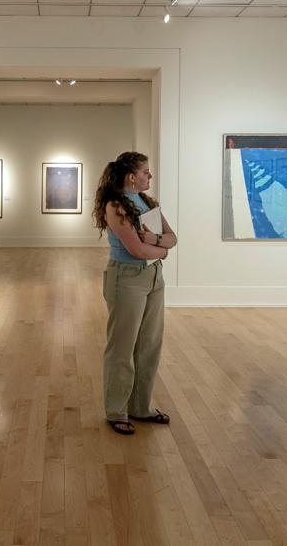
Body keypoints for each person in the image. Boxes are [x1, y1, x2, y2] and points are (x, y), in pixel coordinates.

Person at [93, 151, 178, 436]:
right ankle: (117, 410)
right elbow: (137, 250)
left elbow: (172, 237)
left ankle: (141, 407)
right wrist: (162, 249)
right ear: (131, 176)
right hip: (126, 279)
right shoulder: (115, 205)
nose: (149, 176)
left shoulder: (147, 202)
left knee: (149, 345)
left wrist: (157, 242)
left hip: (154, 277)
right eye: (146, 172)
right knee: (122, 348)